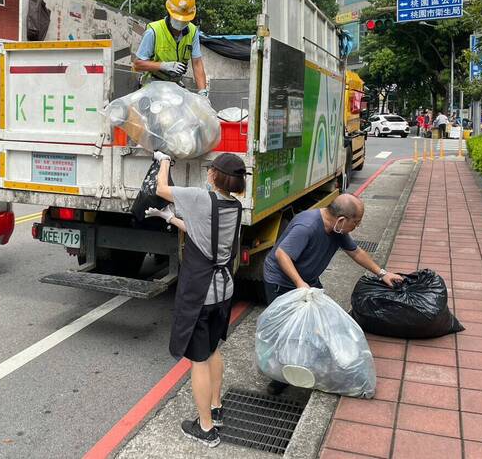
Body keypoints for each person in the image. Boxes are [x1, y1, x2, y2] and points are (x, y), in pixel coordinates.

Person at [145, 151, 246, 448]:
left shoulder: (202, 199)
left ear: (214, 175)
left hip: (201, 292)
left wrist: (164, 160)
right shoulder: (234, 206)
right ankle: (216, 407)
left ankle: (206, 428)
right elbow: (205, 234)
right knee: (213, 350)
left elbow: (161, 189)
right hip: (223, 290)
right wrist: (172, 219)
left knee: (198, 360)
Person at [262, 194, 403, 395]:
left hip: (308, 281)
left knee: (315, 328)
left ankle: (305, 368)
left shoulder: (337, 229)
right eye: (356, 222)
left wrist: (383, 273)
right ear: (342, 220)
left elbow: (355, 252)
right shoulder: (307, 226)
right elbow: (282, 254)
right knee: (286, 332)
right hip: (282, 282)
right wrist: (299, 284)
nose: (357, 227)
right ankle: (279, 378)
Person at [132, 0, 208, 96]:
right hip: (152, 86)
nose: (181, 21)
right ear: (169, 12)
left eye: (185, 19)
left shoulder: (193, 32)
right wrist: (163, 66)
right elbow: (137, 64)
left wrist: (202, 92)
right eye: (178, 18)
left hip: (175, 86)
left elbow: (197, 63)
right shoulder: (154, 31)